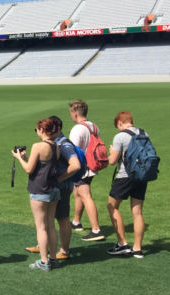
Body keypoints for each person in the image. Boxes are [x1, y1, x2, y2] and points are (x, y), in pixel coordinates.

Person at [25, 116, 82, 260]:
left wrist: (58, 179)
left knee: (61, 219)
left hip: (60, 187)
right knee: (47, 221)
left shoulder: (63, 145)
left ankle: (63, 250)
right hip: (53, 186)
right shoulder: (54, 144)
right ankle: (43, 246)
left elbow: (75, 165)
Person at [12, 119, 60, 271]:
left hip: (39, 189)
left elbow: (28, 170)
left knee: (41, 227)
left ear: (42, 130)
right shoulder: (56, 146)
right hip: (53, 189)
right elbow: (41, 166)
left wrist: (19, 157)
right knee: (51, 225)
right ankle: (53, 258)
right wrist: (26, 158)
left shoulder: (38, 146)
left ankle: (44, 261)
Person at [106, 112, 148, 258]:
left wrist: (111, 152)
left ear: (120, 123)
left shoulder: (120, 136)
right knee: (137, 212)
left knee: (112, 206)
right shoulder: (144, 133)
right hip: (142, 176)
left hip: (125, 176)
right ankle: (138, 248)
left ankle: (122, 243)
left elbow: (112, 161)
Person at [68, 100, 105, 241]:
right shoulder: (93, 126)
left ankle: (96, 229)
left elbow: (72, 150)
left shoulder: (77, 129)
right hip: (92, 165)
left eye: (71, 112)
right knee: (77, 192)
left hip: (82, 167)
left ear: (75, 113)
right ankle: (76, 222)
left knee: (85, 195)